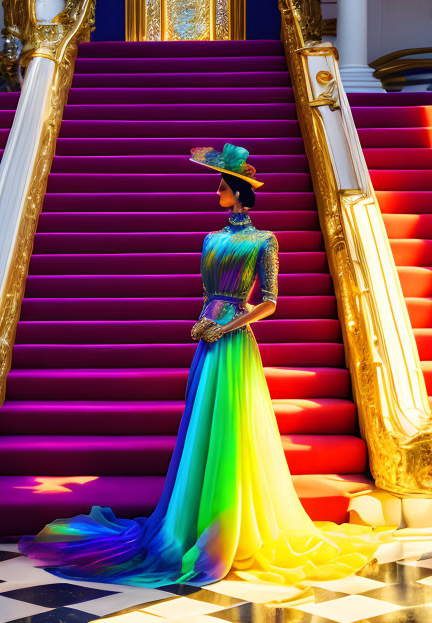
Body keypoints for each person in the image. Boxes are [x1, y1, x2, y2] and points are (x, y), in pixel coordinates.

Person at [19, 144, 380, 587]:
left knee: (230, 423)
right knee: (203, 421)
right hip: (209, 335)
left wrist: (225, 326)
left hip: (232, 342)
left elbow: (269, 302)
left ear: (240, 193)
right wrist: (203, 319)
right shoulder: (210, 239)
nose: (217, 193)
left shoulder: (264, 240)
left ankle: (227, 521)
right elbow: (210, 291)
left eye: (223, 186)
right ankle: (191, 519)